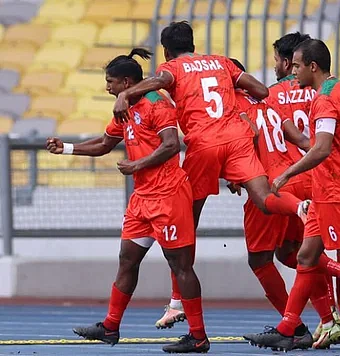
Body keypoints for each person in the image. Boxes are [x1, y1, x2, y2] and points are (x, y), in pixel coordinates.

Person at [110, 22, 310, 328]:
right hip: (237, 139)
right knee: (264, 197)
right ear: (193, 42)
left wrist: (127, 95)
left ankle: (178, 303)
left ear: (166, 50)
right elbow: (261, 90)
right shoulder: (221, 62)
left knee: (186, 222)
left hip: (204, 145)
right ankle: (299, 207)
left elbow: (159, 79)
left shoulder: (173, 67)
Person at [244, 38, 340, 356]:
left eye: (298, 66)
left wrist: (287, 174)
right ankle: (288, 328)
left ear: (312, 66)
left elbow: (322, 148)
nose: (293, 71)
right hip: (327, 189)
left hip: (334, 192)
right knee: (305, 256)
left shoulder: (325, 100)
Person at [47, 49, 209, 353]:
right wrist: (66, 148)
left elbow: (172, 145)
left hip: (169, 196)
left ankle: (199, 336)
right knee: (127, 259)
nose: (107, 88)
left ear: (125, 81)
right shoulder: (123, 109)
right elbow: (106, 143)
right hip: (142, 199)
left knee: (180, 265)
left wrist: (138, 165)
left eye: (110, 82)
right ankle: (110, 326)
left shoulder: (157, 104)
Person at [231, 58, 340, 350]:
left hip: (268, 184)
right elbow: (296, 135)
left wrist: (234, 172)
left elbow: (248, 139)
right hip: (299, 175)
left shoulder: (234, 108)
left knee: (260, 259)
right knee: (293, 252)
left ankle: (293, 326)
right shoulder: (267, 101)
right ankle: (329, 315)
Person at [266, 32, 340, 344]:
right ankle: (335, 321)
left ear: (289, 62)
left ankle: (328, 317)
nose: (277, 65)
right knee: (310, 253)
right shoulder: (327, 89)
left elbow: (289, 138)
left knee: (276, 255)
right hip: (323, 177)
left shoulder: (272, 93)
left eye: (277, 59)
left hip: (288, 178)